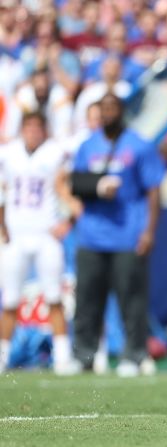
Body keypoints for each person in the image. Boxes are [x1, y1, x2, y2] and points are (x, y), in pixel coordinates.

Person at [70, 93, 164, 377]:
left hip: (128, 234)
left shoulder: (140, 145)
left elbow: (153, 190)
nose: (108, 113)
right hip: (91, 234)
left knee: (131, 300)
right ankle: (83, 356)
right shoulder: (88, 145)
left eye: (113, 108)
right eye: (104, 108)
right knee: (87, 299)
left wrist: (148, 231)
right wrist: (97, 187)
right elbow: (75, 182)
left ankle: (133, 354)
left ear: (122, 111)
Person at [0, 112, 81, 375]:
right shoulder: (9, 153)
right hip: (17, 235)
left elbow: (69, 187)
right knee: (10, 300)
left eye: (38, 127)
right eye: (29, 127)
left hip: (46, 235)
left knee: (54, 297)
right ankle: (2, 358)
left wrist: (67, 220)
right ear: (22, 129)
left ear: (44, 130)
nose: (33, 132)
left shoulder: (54, 153)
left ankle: (62, 358)